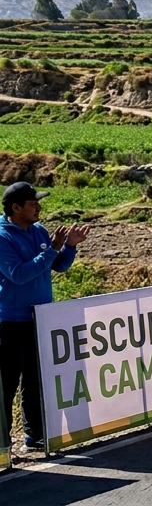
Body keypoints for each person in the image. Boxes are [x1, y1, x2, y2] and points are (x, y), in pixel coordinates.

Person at [0, 182, 89, 456]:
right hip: (11, 323)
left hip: (40, 320)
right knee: (6, 385)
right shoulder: (3, 237)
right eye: (32, 203)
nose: (39, 206)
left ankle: (35, 438)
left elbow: (57, 265)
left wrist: (69, 248)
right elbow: (18, 274)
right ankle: (3, 446)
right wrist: (51, 250)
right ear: (16, 208)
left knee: (36, 383)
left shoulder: (39, 230)